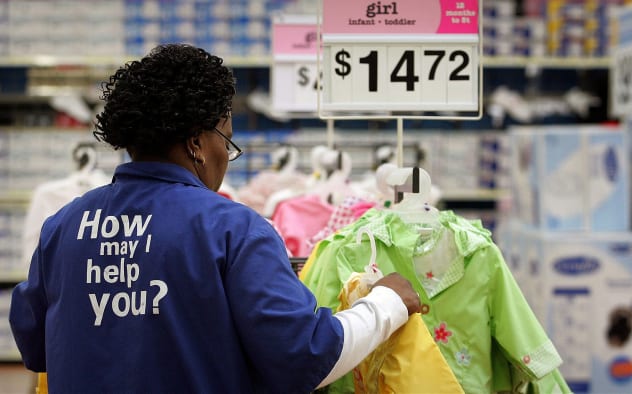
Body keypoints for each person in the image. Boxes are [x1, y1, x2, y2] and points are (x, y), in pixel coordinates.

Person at [9, 43, 421, 393]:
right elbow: (305, 357)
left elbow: (35, 345)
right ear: (197, 143)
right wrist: (385, 303)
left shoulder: (63, 227)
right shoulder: (234, 230)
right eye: (226, 137)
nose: (227, 154)